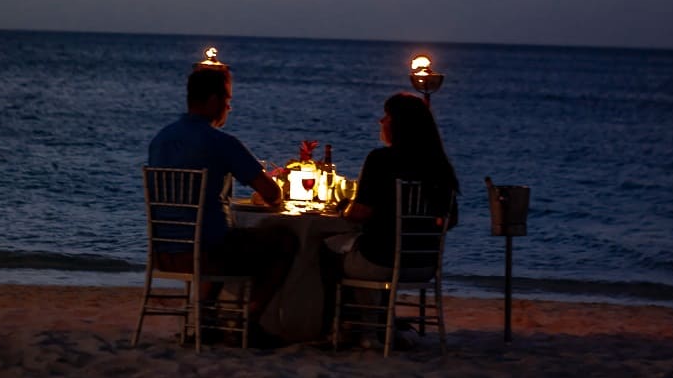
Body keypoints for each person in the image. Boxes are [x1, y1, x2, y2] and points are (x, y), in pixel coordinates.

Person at [148, 67, 297, 344]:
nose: (229, 108)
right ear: (215, 101)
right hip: (205, 255)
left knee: (218, 234)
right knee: (283, 240)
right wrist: (274, 190)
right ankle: (249, 321)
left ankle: (205, 323)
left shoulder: (160, 139)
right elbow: (271, 193)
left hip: (164, 252)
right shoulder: (221, 142)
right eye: (228, 101)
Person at [322, 92, 459, 344]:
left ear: (398, 124)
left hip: (381, 260)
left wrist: (343, 208)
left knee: (325, 253)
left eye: (386, 116)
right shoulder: (439, 166)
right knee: (371, 250)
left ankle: (345, 329)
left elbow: (360, 213)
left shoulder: (380, 160)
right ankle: (382, 327)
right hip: (423, 265)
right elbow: (450, 220)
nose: (380, 121)